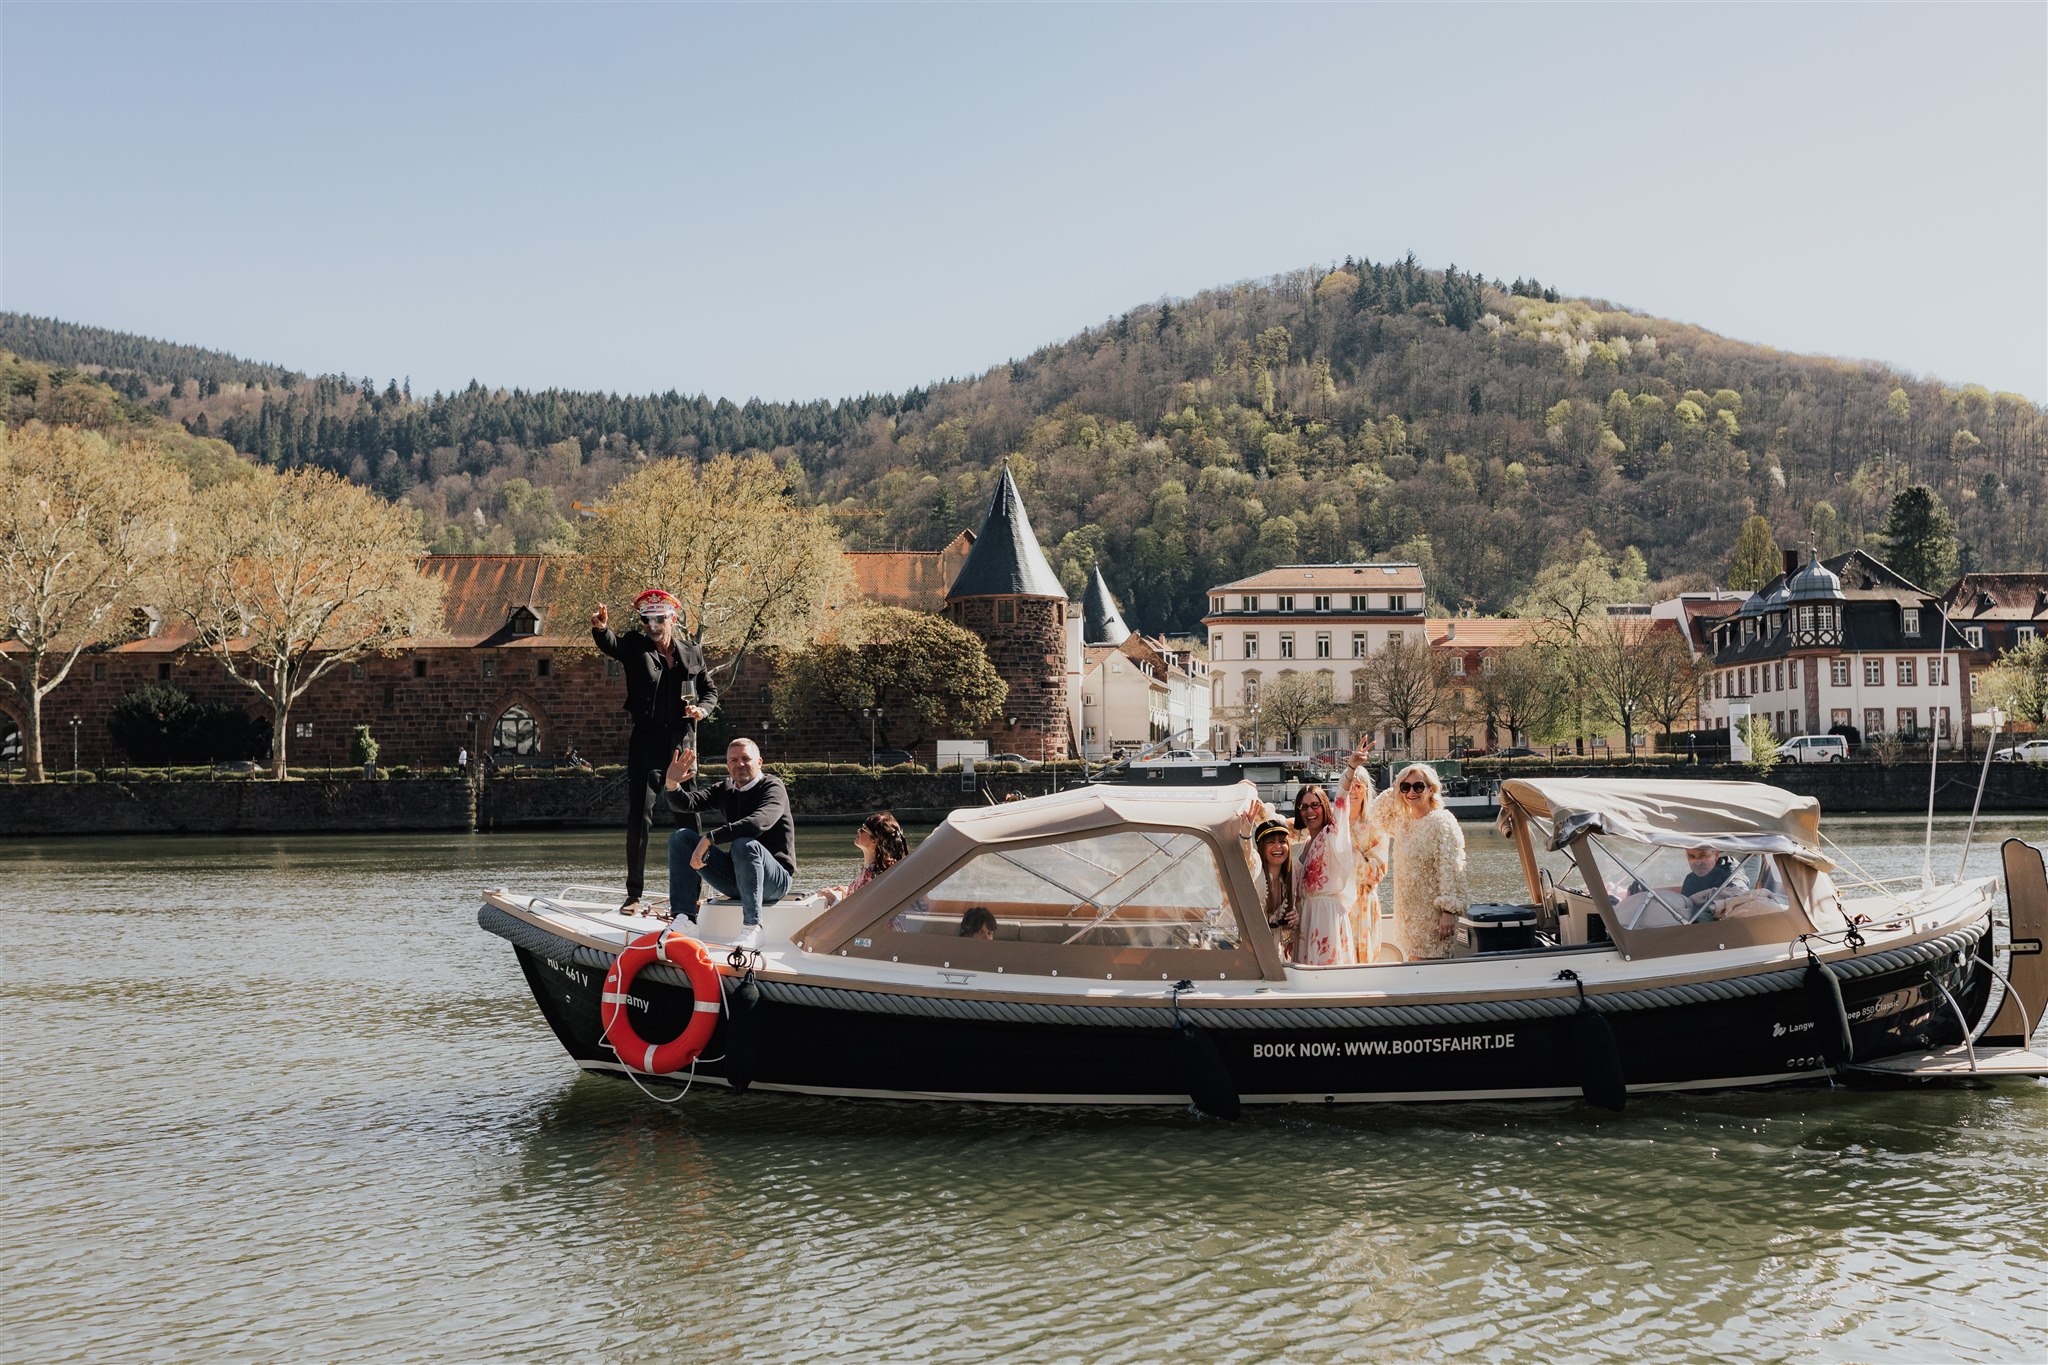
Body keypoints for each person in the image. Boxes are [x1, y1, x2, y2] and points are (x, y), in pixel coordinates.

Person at [592, 590, 717, 914]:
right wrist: (602, 629)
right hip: (646, 742)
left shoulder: (692, 652)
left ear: (672, 620)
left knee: (689, 817)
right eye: (647, 619)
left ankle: (694, 893)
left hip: (681, 745)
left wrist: (702, 709)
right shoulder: (636, 646)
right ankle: (634, 895)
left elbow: (709, 690)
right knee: (640, 816)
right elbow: (613, 645)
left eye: (659, 619)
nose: (653, 625)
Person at [664, 738, 793, 952]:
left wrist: (710, 838)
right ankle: (685, 918)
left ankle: (753, 927)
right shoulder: (725, 789)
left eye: (745, 758)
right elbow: (687, 803)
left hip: (775, 881)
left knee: (744, 844)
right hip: (737, 878)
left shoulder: (773, 787)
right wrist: (671, 784)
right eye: (733, 760)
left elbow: (758, 822)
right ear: (727, 766)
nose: (739, 764)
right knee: (681, 838)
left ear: (759, 762)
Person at [1369, 763, 1472, 960]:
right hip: (1408, 916)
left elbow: (1452, 869)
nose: (1411, 792)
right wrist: (1398, 786)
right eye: (1406, 787)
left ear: (1431, 789)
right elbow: (1376, 812)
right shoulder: (1404, 823)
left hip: (1433, 918)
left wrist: (1448, 910)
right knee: (1414, 966)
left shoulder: (1442, 821)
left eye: (1418, 786)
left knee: (1430, 971)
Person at [1289, 746, 1373, 965]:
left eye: (1315, 805)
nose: (1310, 811)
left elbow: (1342, 798)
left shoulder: (1331, 834)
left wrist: (1352, 767)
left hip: (1326, 916)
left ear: (1324, 806)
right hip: (1307, 915)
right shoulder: (1306, 843)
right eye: (1304, 806)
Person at [817, 812, 909, 907]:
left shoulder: (872, 875)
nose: (858, 831)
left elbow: (860, 914)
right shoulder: (872, 870)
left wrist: (833, 899)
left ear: (875, 840)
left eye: (863, 829)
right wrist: (848, 893)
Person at [1253, 817, 1300, 959]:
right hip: (1247, 948)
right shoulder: (1254, 872)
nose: (1278, 846)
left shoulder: (1292, 877)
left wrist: (1295, 919)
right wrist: (1245, 834)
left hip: (1274, 950)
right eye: (1271, 842)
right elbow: (1247, 853)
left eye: (1282, 841)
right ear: (1261, 847)